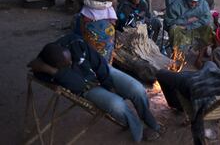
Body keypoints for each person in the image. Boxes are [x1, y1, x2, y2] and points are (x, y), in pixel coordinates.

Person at [27, 34, 162, 142]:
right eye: (66, 65)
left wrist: (108, 84)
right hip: (86, 88)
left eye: (71, 60)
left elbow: (98, 63)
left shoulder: (74, 42)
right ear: (54, 66)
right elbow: (77, 85)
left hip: (102, 73)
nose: (71, 63)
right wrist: (53, 72)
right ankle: (139, 128)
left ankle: (149, 120)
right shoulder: (44, 70)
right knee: (117, 105)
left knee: (136, 88)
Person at [164, 0, 213, 67]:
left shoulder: (203, 3)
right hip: (181, 28)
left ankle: (199, 59)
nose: (193, 4)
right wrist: (188, 20)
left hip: (195, 27)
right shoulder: (176, 5)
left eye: (195, 2)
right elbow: (169, 22)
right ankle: (176, 57)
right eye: (191, 2)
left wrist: (189, 26)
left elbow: (207, 19)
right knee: (174, 29)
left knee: (208, 27)